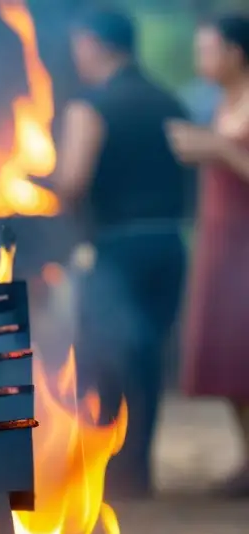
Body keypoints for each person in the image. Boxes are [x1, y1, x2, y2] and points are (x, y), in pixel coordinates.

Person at [57, 10, 190, 499]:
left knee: (104, 355)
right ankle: (139, 470)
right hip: (168, 244)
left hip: (115, 249)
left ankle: (105, 471)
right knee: (149, 356)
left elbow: (72, 181)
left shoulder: (91, 106)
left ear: (93, 44)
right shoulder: (170, 101)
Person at [168, 16, 249, 495]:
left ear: (236, 52)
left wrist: (218, 147)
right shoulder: (222, 102)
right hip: (223, 242)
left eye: (208, 50)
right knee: (229, 358)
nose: (201, 61)